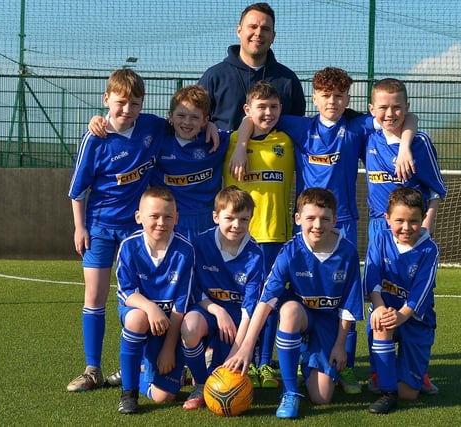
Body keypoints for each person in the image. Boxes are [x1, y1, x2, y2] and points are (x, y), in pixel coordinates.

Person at [231, 67, 418, 394]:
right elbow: (254, 116)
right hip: (305, 227)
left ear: (348, 99)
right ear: (314, 98)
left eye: (340, 96)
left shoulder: (357, 127)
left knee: (345, 294)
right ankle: (306, 358)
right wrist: (240, 144)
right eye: (326, 95)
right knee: (301, 293)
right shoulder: (298, 126)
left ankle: (345, 365)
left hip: (343, 223)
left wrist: (405, 146)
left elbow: (408, 118)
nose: (333, 101)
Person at [224, 187, 364, 419]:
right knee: (288, 310)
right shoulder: (290, 251)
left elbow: (349, 307)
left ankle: (308, 361)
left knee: (322, 397)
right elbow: (266, 300)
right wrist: (247, 345)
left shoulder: (347, 252)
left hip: (329, 323)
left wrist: (340, 345)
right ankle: (289, 392)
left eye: (324, 219)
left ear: (335, 220)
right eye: (310, 218)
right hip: (302, 317)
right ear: (298, 219)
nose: (317, 225)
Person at [67, 69, 165, 392]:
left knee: (138, 298)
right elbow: (78, 191)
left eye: (134, 104)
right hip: (99, 228)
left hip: (136, 232)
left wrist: (206, 124)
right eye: (120, 103)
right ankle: (92, 369)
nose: (127, 110)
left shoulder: (152, 127)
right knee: (94, 296)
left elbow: (183, 123)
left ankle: (135, 365)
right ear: (106, 99)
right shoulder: (95, 138)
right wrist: (80, 227)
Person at [363, 77, 446, 395]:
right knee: (379, 300)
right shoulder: (367, 137)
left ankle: (416, 370)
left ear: (407, 108)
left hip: (413, 231)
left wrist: (427, 225)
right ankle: (378, 370)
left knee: (416, 296)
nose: (390, 113)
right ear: (372, 109)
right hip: (379, 226)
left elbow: (437, 189)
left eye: (397, 107)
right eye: (383, 107)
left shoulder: (420, 144)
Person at [223, 80, 295, 389]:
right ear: (247, 110)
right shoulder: (227, 141)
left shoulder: (288, 142)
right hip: (236, 238)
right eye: (260, 107)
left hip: (273, 236)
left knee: (269, 301)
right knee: (240, 301)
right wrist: (240, 144)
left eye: (273, 107)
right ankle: (237, 356)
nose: (267, 113)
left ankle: (264, 362)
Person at [87, 85, 225, 241]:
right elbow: (126, 124)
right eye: (181, 115)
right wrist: (100, 119)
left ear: (205, 120)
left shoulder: (217, 140)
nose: (187, 122)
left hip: (206, 221)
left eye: (194, 117)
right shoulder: (157, 139)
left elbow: (248, 130)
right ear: (170, 116)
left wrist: (237, 144)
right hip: (168, 222)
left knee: (204, 265)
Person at [180, 185, 264, 410]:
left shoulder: (255, 254)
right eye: (230, 218)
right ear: (216, 217)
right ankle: (199, 383)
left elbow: (250, 308)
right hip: (208, 311)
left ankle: (216, 357)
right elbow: (193, 289)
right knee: (190, 326)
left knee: (230, 375)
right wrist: (218, 310)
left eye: (244, 220)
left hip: (237, 323)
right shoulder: (199, 244)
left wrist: (238, 351)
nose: (237, 225)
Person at [114, 187, 195, 414]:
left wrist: (169, 348)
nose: (161, 222)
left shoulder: (185, 250)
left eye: (168, 216)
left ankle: (133, 370)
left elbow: (182, 304)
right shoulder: (129, 247)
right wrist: (151, 307)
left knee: (165, 396)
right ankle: (128, 392)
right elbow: (126, 293)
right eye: (154, 216)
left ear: (176, 218)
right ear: (139, 217)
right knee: (137, 318)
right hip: (142, 316)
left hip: (169, 326)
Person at [362, 187, 439, 414]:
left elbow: (421, 292)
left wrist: (402, 316)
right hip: (387, 311)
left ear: (423, 218)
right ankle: (387, 390)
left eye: (413, 221)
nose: (406, 227)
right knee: (381, 320)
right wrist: (379, 308)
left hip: (415, 319)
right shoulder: (379, 239)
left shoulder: (429, 249)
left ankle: (414, 373)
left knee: (410, 395)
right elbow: (370, 278)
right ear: (387, 218)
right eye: (399, 220)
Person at [198, 2, 306, 131]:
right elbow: (194, 119)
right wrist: (208, 125)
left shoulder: (288, 79)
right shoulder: (215, 76)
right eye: (252, 26)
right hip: (225, 151)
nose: (258, 33)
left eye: (265, 29)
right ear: (239, 31)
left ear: (273, 36)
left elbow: (297, 126)